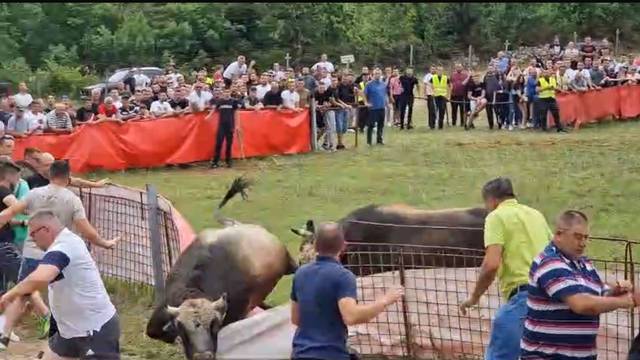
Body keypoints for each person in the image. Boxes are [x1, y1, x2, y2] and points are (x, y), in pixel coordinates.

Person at [0, 160, 119, 351]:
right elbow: (85, 229)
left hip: (32, 252)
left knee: (23, 293)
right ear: (68, 176)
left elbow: (10, 211)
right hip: (58, 253)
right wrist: (104, 243)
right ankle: (58, 333)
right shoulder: (71, 199)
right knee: (61, 293)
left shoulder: (34, 193)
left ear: (49, 174)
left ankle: (4, 333)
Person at [521, 210, 640, 359]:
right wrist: (624, 301)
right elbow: (582, 304)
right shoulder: (550, 263)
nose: (583, 243)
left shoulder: (583, 264)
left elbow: (597, 293)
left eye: (586, 237)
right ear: (558, 234)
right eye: (577, 237)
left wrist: (615, 289)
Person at [459, 177, 553, 360]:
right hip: (551, 296)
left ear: (491, 200)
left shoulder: (496, 216)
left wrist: (474, 297)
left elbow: (491, 264)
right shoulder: (536, 214)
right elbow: (555, 251)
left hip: (524, 298)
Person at [290, 222, 404, 360]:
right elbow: (352, 316)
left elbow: (296, 319)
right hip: (331, 354)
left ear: (315, 245)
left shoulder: (301, 273)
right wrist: (385, 300)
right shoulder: (343, 276)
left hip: (300, 353)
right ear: (343, 246)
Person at [206, 89, 241, 169]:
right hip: (221, 126)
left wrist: (237, 125)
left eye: (228, 92)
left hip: (230, 125)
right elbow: (214, 109)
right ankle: (215, 162)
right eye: (225, 92)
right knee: (218, 144)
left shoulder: (233, 102)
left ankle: (228, 161)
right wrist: (209, 116)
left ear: (230, 93)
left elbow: (236, 113)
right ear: (223, 93)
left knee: (229, 144)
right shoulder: (220, 101)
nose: (226, 93)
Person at [537, 68, 566, 133]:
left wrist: (558, 89)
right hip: (543, 99)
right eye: (545, 72)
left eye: (548, 72)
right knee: (543, 114)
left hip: (552, 98)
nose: (546, 73)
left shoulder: (553, 79)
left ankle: (559, 128)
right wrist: (546, 88)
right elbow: (537, 90)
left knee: (556, 113)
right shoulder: (540, 80)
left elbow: (556, 87)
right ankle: (544, 128)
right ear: (543, 73)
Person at [364, 68, 388, 146]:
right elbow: (364, 94)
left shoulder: (383, 84)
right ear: (373, 75)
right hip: (373, 108)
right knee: (371, 125)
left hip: (381, 107)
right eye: (376, 74)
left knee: (381, 125)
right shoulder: (369, 84)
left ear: (381, 75)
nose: (377, 75)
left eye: (379, 73)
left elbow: (384, 94)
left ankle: (379, 140)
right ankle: (369, 141)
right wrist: (366, 102)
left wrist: (386, 103)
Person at [450, 63, 470, 128]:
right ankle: (453, 123)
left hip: (462, 95)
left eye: (460, 67)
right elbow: (450, 84)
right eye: (457, 67)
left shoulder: (465, 75)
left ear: (462, 68)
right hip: (454, 95)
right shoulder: (452, 75)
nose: (459, 68)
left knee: (462, 110)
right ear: (455, 68)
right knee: (454, 110)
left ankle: (462, 123)